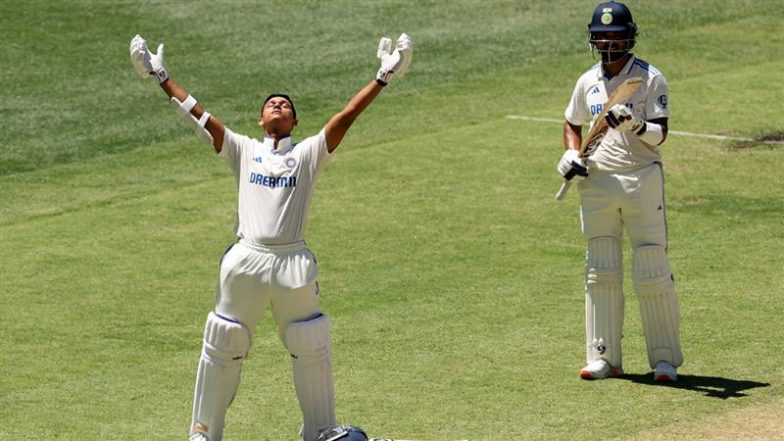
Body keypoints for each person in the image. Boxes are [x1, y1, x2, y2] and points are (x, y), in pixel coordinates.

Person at [129, 33, 413, 441]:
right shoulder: (243, 150)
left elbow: (347, 115)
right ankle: (203, 434)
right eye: (271, 104)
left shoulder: (308, 154)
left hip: (293, 262)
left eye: (286, 106)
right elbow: (200, 117)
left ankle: (321, 433)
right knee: (224, 339)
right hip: (246, 258)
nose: (278, 105)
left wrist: (383, 76)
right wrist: (161, 77)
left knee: (310, 343)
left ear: (295, 123)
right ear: (261, 120)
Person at [557, 1, 682, 382]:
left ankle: (664, 361)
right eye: (602, 36)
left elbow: (661, 135)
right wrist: (569, 153)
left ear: (629, 37)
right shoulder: (586, 81)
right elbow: (571, 121)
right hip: (596, 183)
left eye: (615, 35)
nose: (609, 42)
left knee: (651, 266)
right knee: (601, 268)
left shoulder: (647, 78)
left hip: (641, 178)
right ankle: (603, 357)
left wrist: (635, 125)